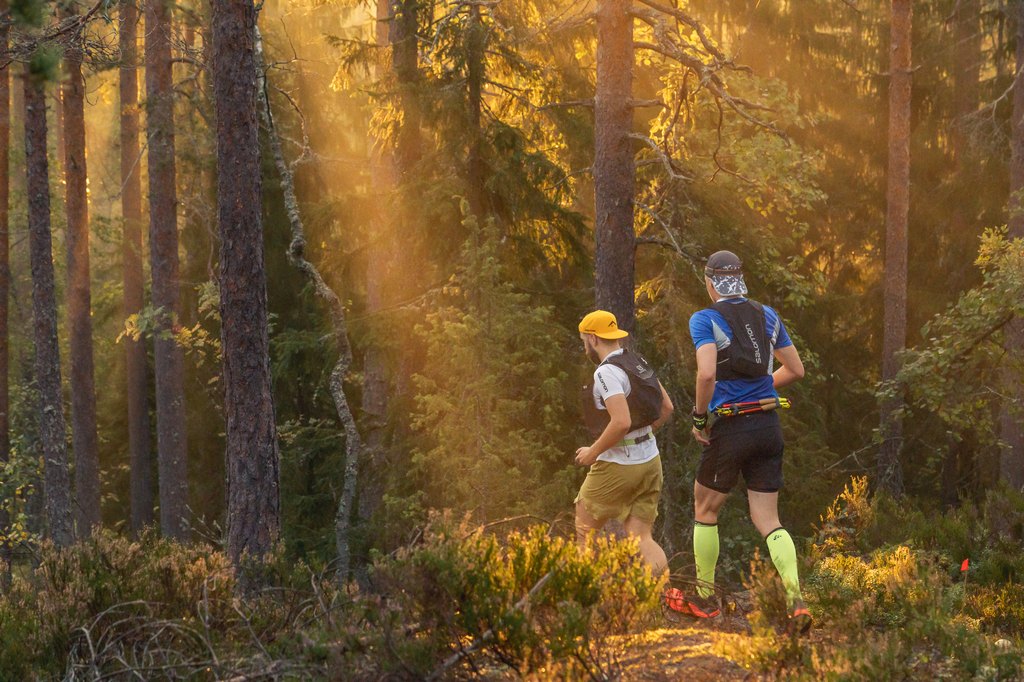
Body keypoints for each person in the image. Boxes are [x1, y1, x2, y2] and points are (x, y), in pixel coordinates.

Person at [683, 250, 811, 634]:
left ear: (710, 283)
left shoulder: (704, 318)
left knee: (706, 509)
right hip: (768, 425)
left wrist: (699, 418)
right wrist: (760, 388)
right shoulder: (768, 315)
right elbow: (796, 369)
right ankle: (796, 600)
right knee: (769, 520)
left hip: (731, 427)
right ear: (740, 280)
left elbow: (707, 374)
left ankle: (704, 598)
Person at [575, 310, 674, 578]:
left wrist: (593, 452)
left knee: (584, 530)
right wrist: (642, 435)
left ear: (593, 339)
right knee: (641, 537)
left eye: (584, 340)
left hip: (619, 463)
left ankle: (584, 592)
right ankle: (663, 596)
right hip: (650, 460)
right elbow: (667, 407)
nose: (585, 345)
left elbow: (620, 422)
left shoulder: (606, 372)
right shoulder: (637, 361)